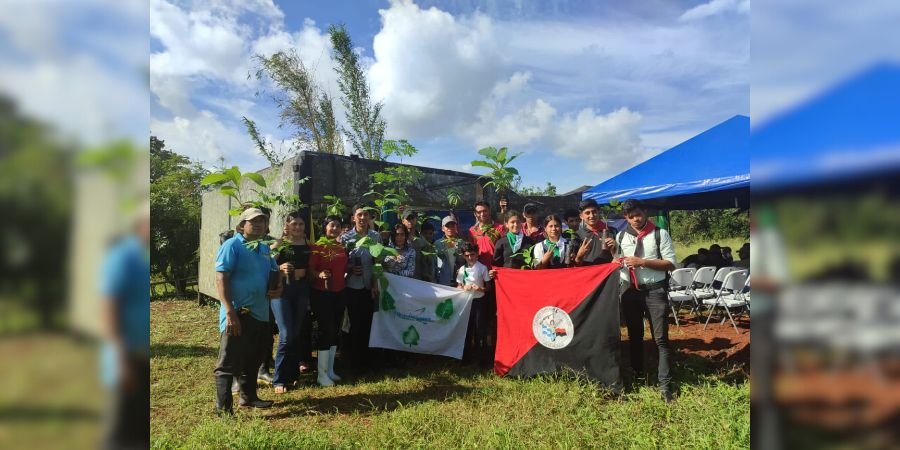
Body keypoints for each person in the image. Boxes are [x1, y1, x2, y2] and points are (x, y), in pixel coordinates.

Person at [213, 208, 282, 414]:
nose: (259, 224)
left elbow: (274, 271)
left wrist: (278, 288)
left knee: (253, 358)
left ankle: (249, 397)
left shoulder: (263, 248)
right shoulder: (232, 245)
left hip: (260, 312)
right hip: (238, 313)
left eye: (263, 221)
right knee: (227, 362)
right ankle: (223, 408)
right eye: (254, 221)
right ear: (242, 225)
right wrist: (229, 312)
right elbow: (221, 278)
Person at [615, 199, 677, 403]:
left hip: (654, 291)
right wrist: (615, 260)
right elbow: (617, 261)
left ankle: (665, 386)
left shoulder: (659, 233)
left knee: (660, 339)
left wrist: (643, 262)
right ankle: (638, 375)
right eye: (630, 216)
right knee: (634, 335)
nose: (635, 219)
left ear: (645, 212)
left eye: (638, 214)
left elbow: (670, 264)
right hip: (630, 291)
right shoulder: (621, 236)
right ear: (626, 218)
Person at [99, 202, 150, 447]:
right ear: (139, 225)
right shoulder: (123, 255)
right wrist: (119, 360)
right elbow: (108, 307)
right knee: (123, 433)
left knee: (140, 429)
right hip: (128, 355)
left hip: (142, 354)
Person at [270, 212, 311, 394]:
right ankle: (279, 378)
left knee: (295, 333)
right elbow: (266, 264)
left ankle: (293, 375)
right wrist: (279, 267)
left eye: (301, 224)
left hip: (301, 291)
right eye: (294, 223)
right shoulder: (281, 244)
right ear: (287, 226)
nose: (298, 227)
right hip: (282, 292)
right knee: (286, 335)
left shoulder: (308, 244)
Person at [339, 204, 382, 374]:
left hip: (369, 285)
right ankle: (351, 361)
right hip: (352, 285)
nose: (363, 218)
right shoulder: (346, 238)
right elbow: (340, 263)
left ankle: (367, 360)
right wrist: (350, 269)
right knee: (352, 324)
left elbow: (377, 261)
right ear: (353, 218)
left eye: (366, 215)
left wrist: (375, 283)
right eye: (359, 215)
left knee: (368, 322)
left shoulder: (375, 236)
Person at [309, 215, 349, 387]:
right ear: (325, 227)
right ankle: (321, 374)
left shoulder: (341, 247)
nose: (335, 229)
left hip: (339, 292)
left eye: (338, 226)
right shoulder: (318, 247)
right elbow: (311, 269)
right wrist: (319, 275)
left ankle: (330, 370)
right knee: (326, 329)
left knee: (335, 330)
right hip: (322, 293)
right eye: (332, 225)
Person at [572, 199, 618, 266]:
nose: (592, 216)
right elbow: (575, 265)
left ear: (599, 212)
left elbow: (620, 257)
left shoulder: (612, 231)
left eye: (594, 212)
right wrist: (579, 256)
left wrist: (615, 248)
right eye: (587, 213)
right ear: (581, 216)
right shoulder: (577, 236)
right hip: (589, 274)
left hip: (609, 273)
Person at [401, 209, 436, 282]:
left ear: (416, 220)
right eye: (408, 219)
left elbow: (429, 262)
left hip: (418, 280)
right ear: (403, 221)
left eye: (412, 218)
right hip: (402, 279)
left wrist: (429, 277)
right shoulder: (398, 239)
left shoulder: (423, 242)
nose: (410, 221)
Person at [435, 215, 467, 287]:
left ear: (456, 227)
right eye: (447, 226)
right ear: (443, 228)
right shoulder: (437, 244)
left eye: (453, 225)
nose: (450, 228)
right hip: (442, 280)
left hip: (459, 281)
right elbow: (434, 263)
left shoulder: (462, 243)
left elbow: (467, 261)